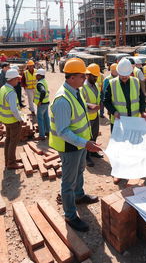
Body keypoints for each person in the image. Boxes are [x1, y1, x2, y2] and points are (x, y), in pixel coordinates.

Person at [49, 58, 102, 232]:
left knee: (79, 171)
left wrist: (88, 106)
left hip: (79, 145)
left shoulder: (75, 90)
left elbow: (77, 107)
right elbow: (64, 132)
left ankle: (79, 196)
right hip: (70, 147)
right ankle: (70, 215)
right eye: (82, 76)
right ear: (71, 77)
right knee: (68, 182)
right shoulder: (62, 100)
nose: (84, 79)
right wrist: (85, 143)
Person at [103, 58, 146, 184]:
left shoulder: (136, 82)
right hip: (118, 123)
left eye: (126, 75)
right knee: (119, 148)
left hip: (133, 121)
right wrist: (114, 111)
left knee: (133, 146)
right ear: (118, 73)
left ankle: (133, 169)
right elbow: (106, 100)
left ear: (131, 72)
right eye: (122, 75)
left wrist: (143, 111)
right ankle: (118, 172)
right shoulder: (111, 83)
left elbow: (141, 99)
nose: (124, 77)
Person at [0, 69, 25, 169]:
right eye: (17, 79)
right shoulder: (11, 92)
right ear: (13, 79)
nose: (18, 81)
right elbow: (14, 110)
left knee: (8, 140)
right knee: (13, 142)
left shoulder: (3, 88)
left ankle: (8, 160)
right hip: (13, 121)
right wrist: (20, 119)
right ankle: (11, 163)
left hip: (6, 120)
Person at [81, 63, 102, 167]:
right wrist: (91, 106)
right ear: (88, 75)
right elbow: (80, 102)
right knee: (87, 138)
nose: (96, 78)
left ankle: (93, 152)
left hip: (95, 115)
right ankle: (87, 156)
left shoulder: (96, 84)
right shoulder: (83, 87)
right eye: (94, 76)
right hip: (87, 118)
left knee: (94, 134)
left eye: (97, 76)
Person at [34, 69, 50, 141]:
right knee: (46, 117)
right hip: (46, 103)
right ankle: (48, 131)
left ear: (40, 75)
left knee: (40, 119)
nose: (36, 76)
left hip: (42, 104)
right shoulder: (45, 81)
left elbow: (43, 91)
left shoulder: (39, 84)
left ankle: (42, 135)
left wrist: (40, 101)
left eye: (37, 75)